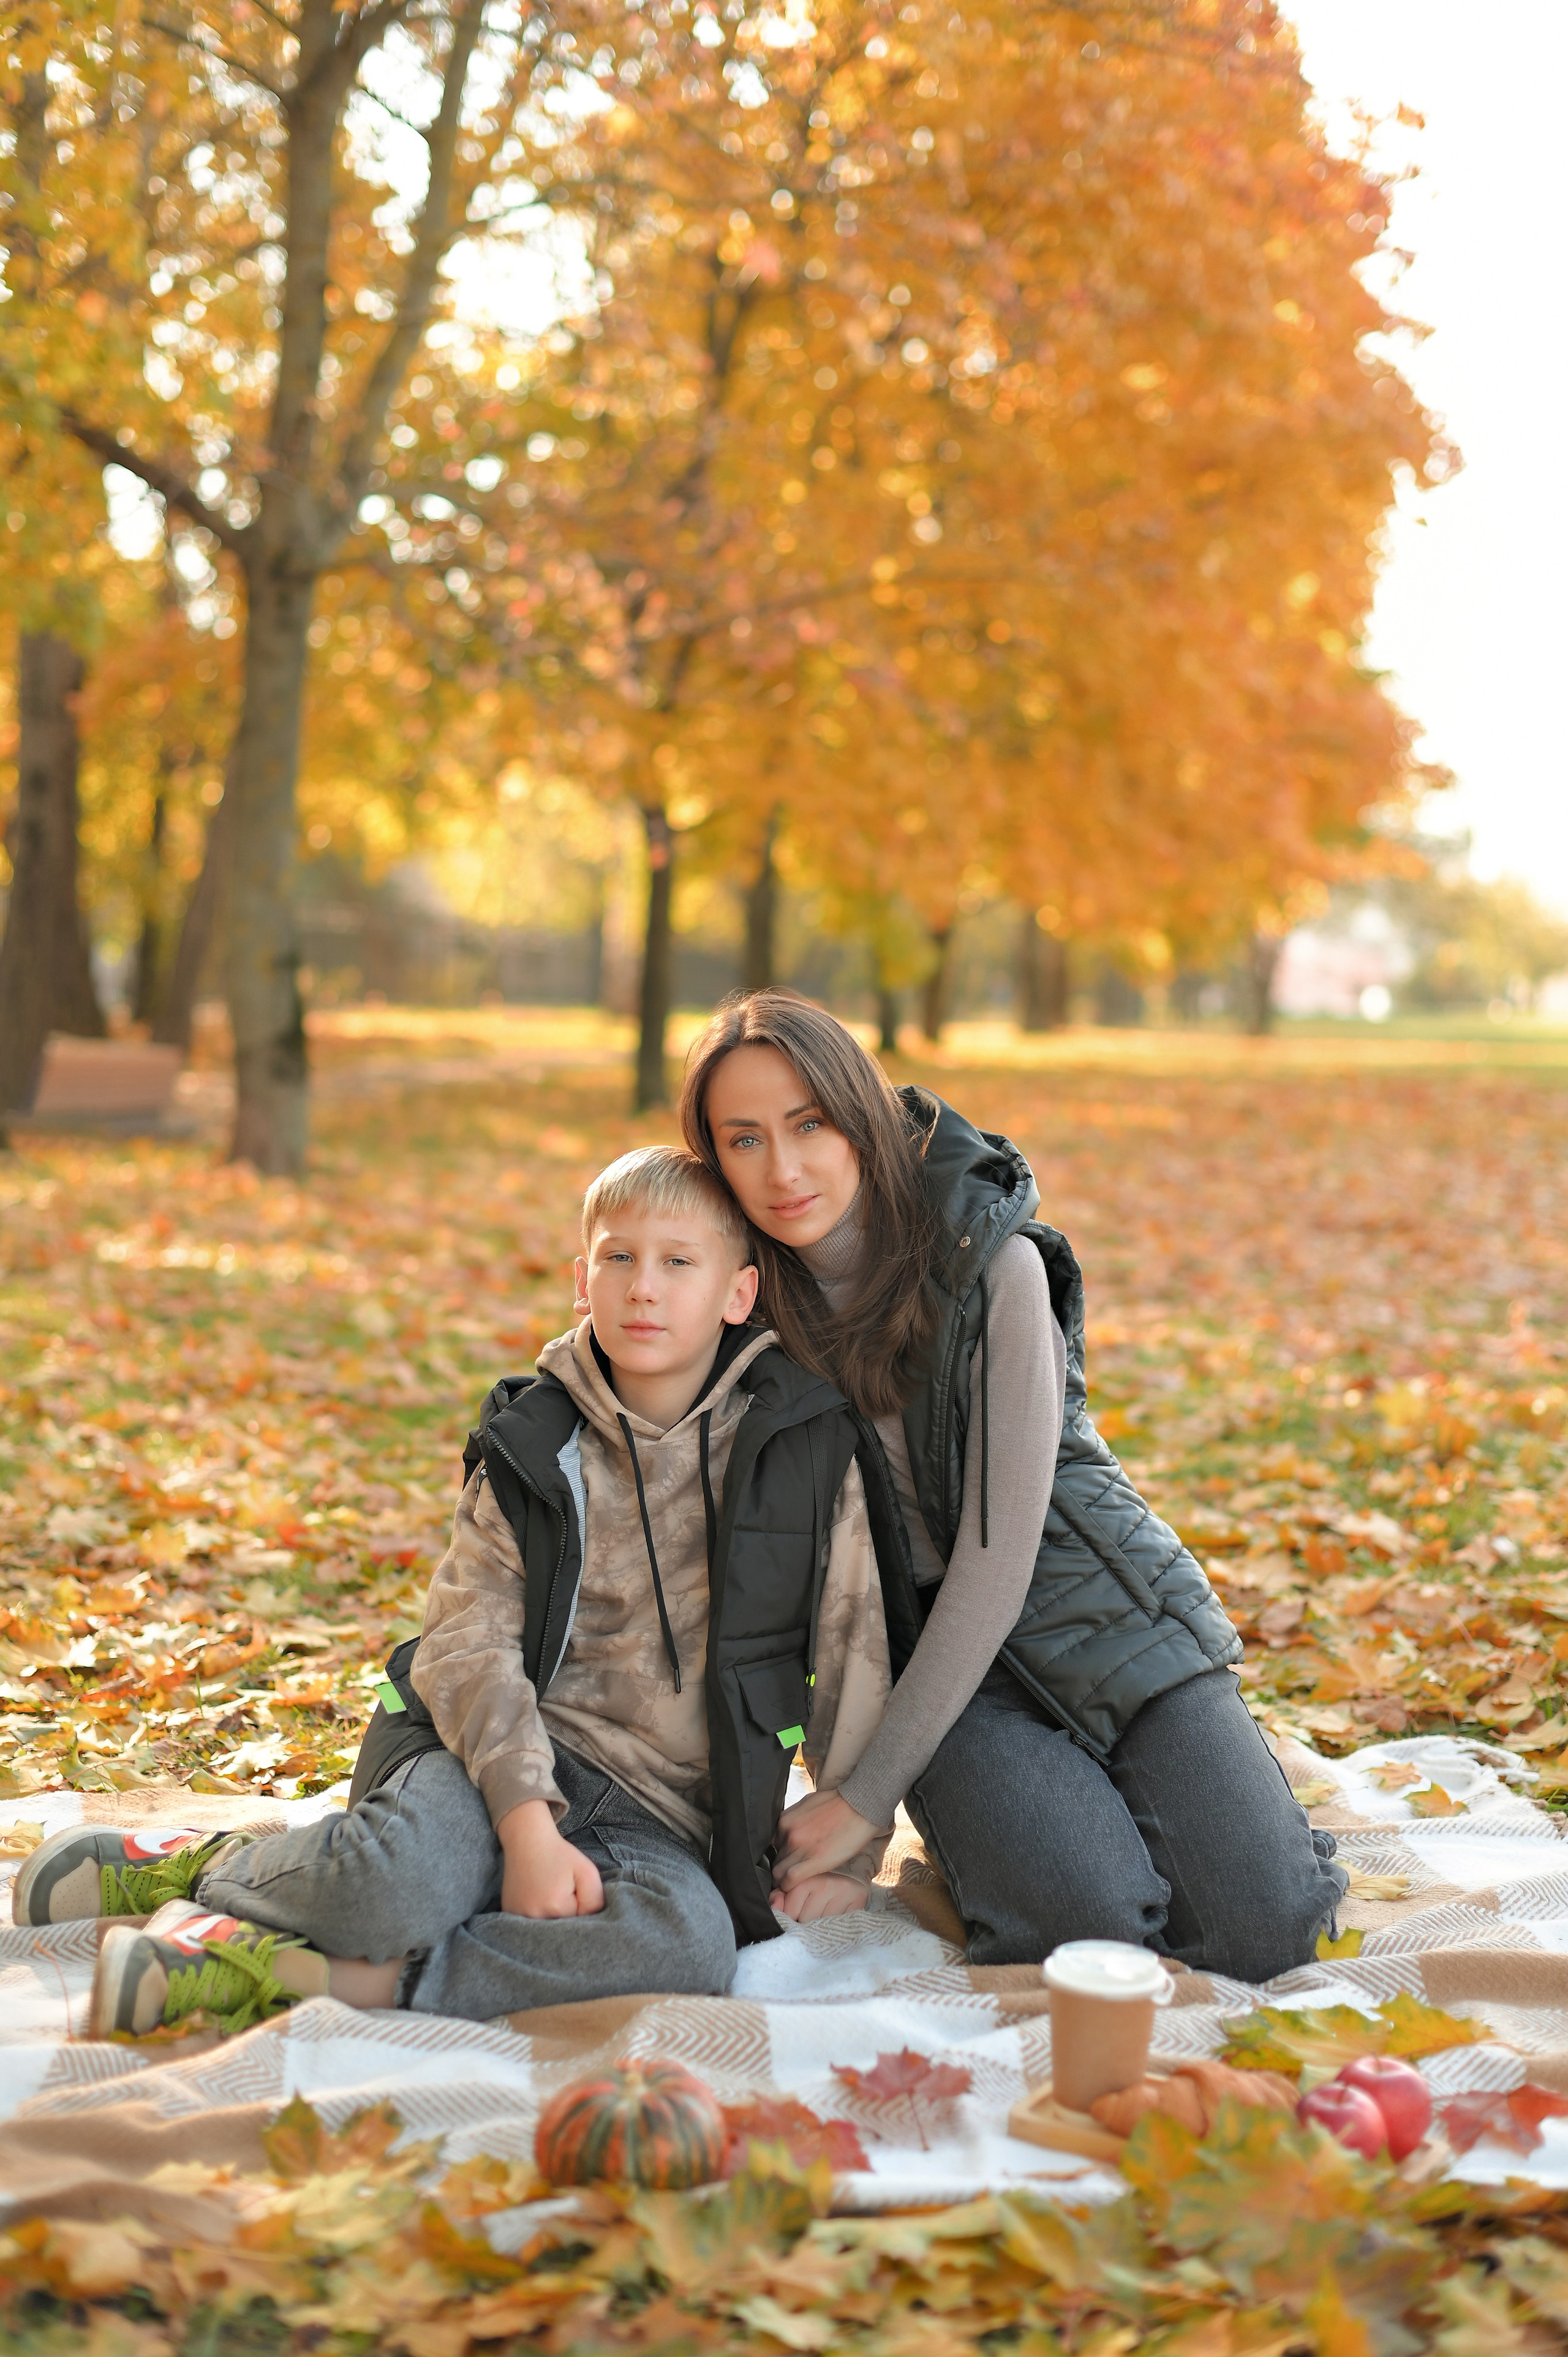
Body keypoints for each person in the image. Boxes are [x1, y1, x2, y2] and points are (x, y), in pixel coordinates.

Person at [48, 1145, 889, 2039]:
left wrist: (857, 1845)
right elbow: (467, 1641)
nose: (645, 1287)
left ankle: (302, 1976)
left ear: (738, 1294)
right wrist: (526, 1826)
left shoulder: (802, 1455)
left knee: (690, 1946)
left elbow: (852, 1649)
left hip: (664, 1818)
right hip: (483, 1754)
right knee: (397, 1882)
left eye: (679, 1262)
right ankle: (203, 1871)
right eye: (620, 1258)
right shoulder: (534, 1440)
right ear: (583, 1281)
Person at [679, 990, 1347, 1982]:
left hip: (1094, 1603)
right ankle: (998, 1843)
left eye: (808, 1123)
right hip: (938, 1670)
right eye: (743, 1140)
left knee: (1266, 1933)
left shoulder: (990, 1262)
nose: (782, 1169)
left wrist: (865, 1801)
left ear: (859, 1113)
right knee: (1087, 1933)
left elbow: (999, 1559)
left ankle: (1213, 1793)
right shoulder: (736, 1307)